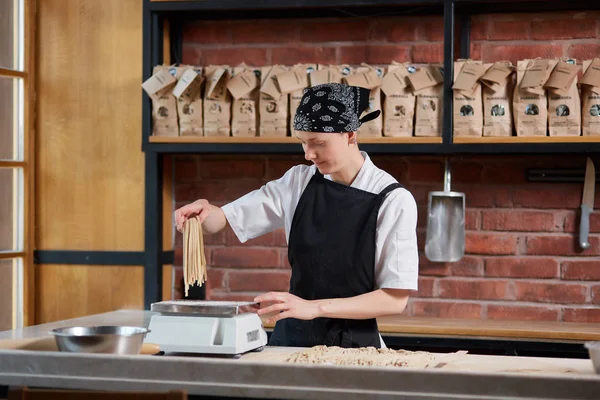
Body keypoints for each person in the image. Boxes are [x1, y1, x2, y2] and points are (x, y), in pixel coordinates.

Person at [174, 83, 419, 348]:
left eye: (318, 143)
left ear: (350, 135)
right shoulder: (298, 183)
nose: (308, 154)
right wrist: (205, 212)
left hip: (355, 347)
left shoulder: (392, 199)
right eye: (303, 142)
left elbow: (395, 299)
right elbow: (225, 219)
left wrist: (314, 308)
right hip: (291, 339)